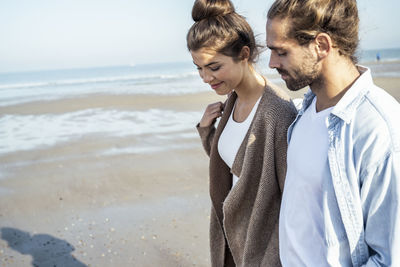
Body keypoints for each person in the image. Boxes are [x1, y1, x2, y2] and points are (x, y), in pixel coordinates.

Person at [266, 0, 400, 266]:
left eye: (280, 52)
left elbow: (390, 258)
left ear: (322, 46)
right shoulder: (306, 110)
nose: (271, 63)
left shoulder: (378, 129)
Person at [187, 0, 297, 266]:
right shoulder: (232, 100)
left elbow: (292, 203)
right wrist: (206, 131)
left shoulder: (278, 114)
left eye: (214, 67)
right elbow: (237, 164)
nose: (205, 78)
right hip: (230, 238)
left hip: (260, 251)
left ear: (244, 54)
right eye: (199, 68)